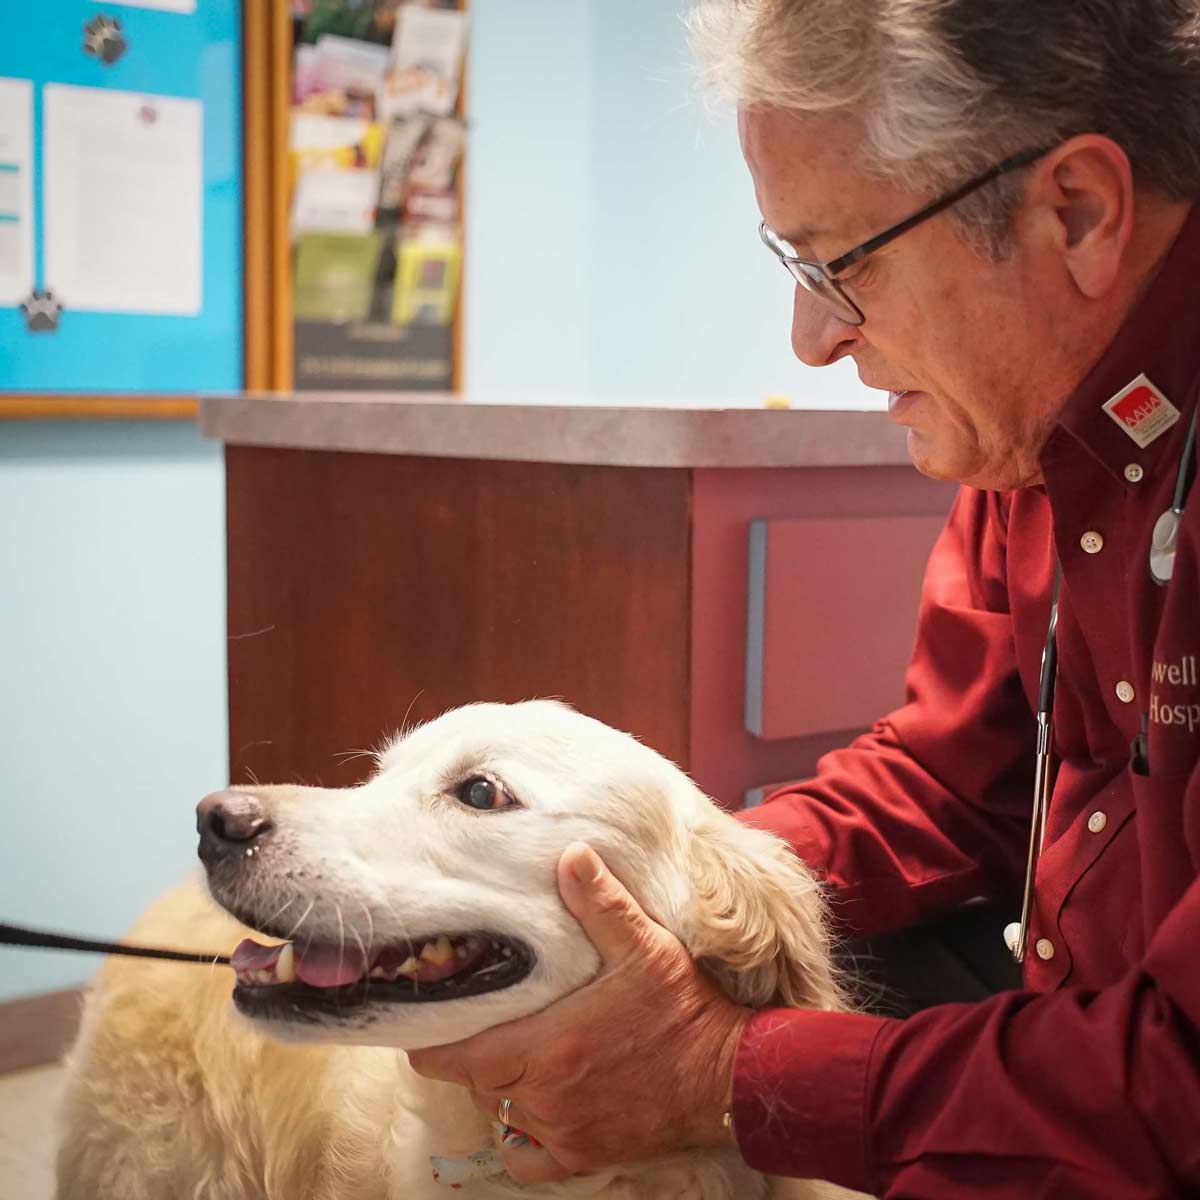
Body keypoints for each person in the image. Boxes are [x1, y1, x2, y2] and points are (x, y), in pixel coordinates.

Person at [408, 1, 1200, 1194]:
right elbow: (950, 779)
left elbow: (1186, 1077)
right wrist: (660, 886)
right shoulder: (1033, 431)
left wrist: (724, 1074)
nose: (812, 339)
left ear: (1076, 211)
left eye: (842, 263)